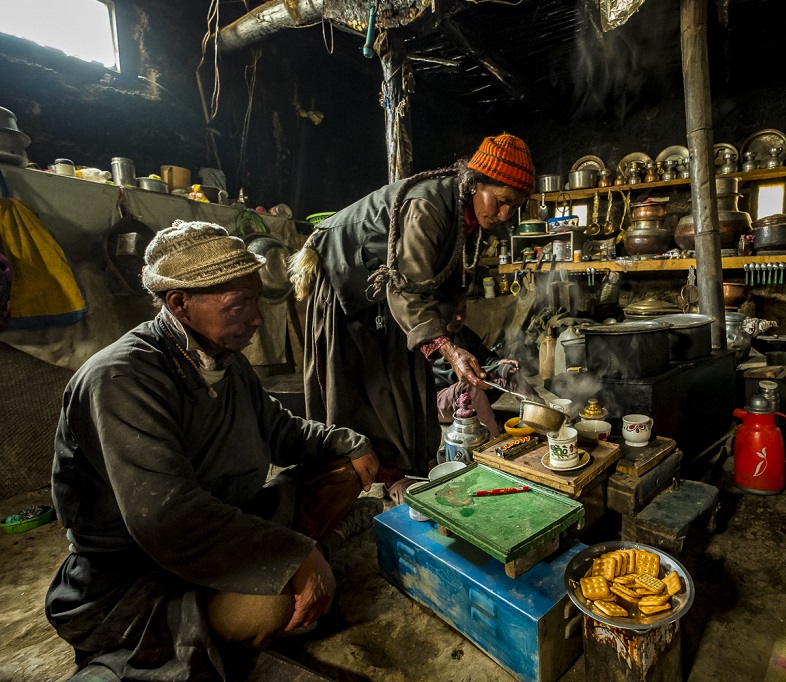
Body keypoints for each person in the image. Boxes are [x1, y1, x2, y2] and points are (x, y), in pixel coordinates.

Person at [46, 221, 380, 681]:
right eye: (238, 305)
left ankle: (301, 562)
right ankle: (259, 594)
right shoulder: (120, 379)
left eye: (256, 301)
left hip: (225, 520)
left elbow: (280, 430)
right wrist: (295, 556)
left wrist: (350, 443)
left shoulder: (226, 361)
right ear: (180, 303)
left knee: (344, 470)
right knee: (270, 607)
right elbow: (167, 517)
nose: (256, 319)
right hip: (137, 578)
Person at [290, 133, 534, 498]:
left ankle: (401, 469)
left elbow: (448, 265)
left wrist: (455, 307)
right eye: (500, 202)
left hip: (391, 291)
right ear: (475, 183)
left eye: (513, 207)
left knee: (408, 382)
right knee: (360, 384)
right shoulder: (428, 205)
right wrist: (449, 350)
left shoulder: (467, 213)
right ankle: (348, 476)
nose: (504, 215)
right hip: (347, 278)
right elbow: (406, 284)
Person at [433, 294, 540, 437]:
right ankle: (494, 438)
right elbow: (460, 376)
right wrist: (498, 370)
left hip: (468, 392)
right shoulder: (434, 342)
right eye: (454, 314)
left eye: (462, 312)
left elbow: (484, 355)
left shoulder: (463, 333)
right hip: (440, 402)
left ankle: (544, 416)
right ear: (442, 314)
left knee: (511, 374)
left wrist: (498, 363)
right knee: (470, 386)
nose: (459, 318)